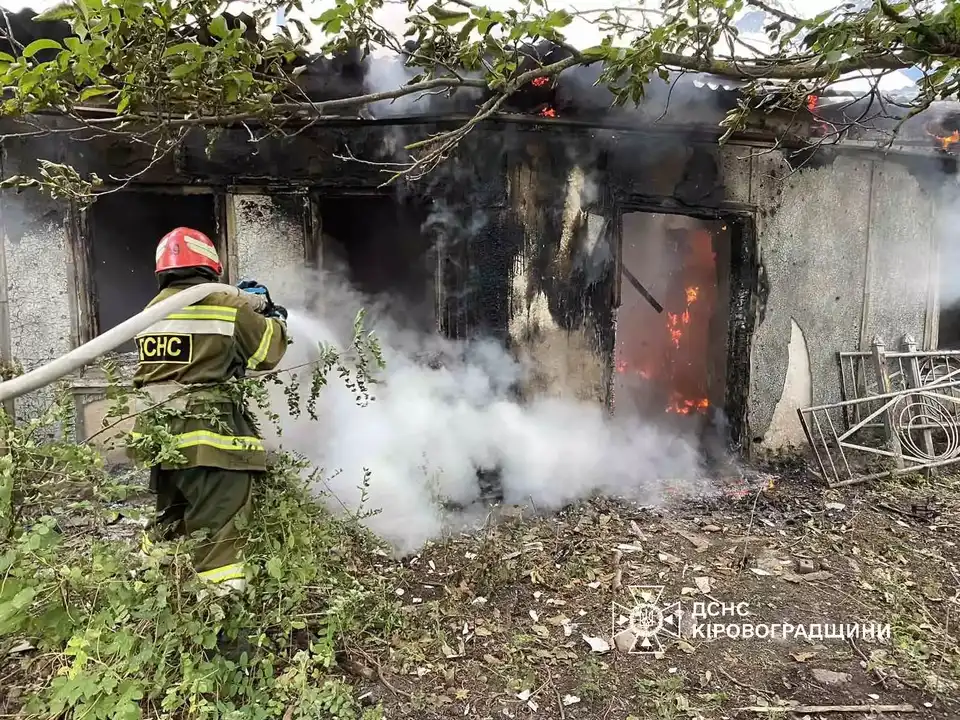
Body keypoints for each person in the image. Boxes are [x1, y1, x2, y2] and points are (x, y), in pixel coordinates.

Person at [129, 227, 289, 593]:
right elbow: (269, 354)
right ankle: (222, 623)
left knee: (172, 517)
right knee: (222, 532)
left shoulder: (150, 313)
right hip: (209, 439)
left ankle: (148, 594)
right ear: (209, 264)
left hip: (160, 438)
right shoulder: (226, 305)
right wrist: (276, 316)